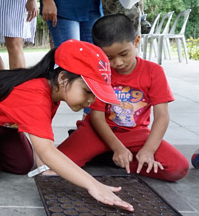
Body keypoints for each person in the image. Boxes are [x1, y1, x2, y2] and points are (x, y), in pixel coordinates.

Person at [0, 39, 134, 211]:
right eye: (87, 91)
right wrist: (93, 185)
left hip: (5, 124)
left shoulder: (53, 91)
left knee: (22, 166)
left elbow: (42, 134)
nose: (90, 101)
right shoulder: (35, 95)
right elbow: (47, 151)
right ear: (62, 78)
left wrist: (44, 166)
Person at [57, 14, 189, 182]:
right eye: (109, 58)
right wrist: (117, 147)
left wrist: (148, 150)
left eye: (124, 54)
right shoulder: (100, 72)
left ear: (136, 41)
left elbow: (162, 116)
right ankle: (109, 153)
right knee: (58, 162)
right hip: (98, 131)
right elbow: (97, 117)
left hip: (137, 134)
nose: (118, 63)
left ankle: (109, 158)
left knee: (177, 168)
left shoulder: (154, 72)